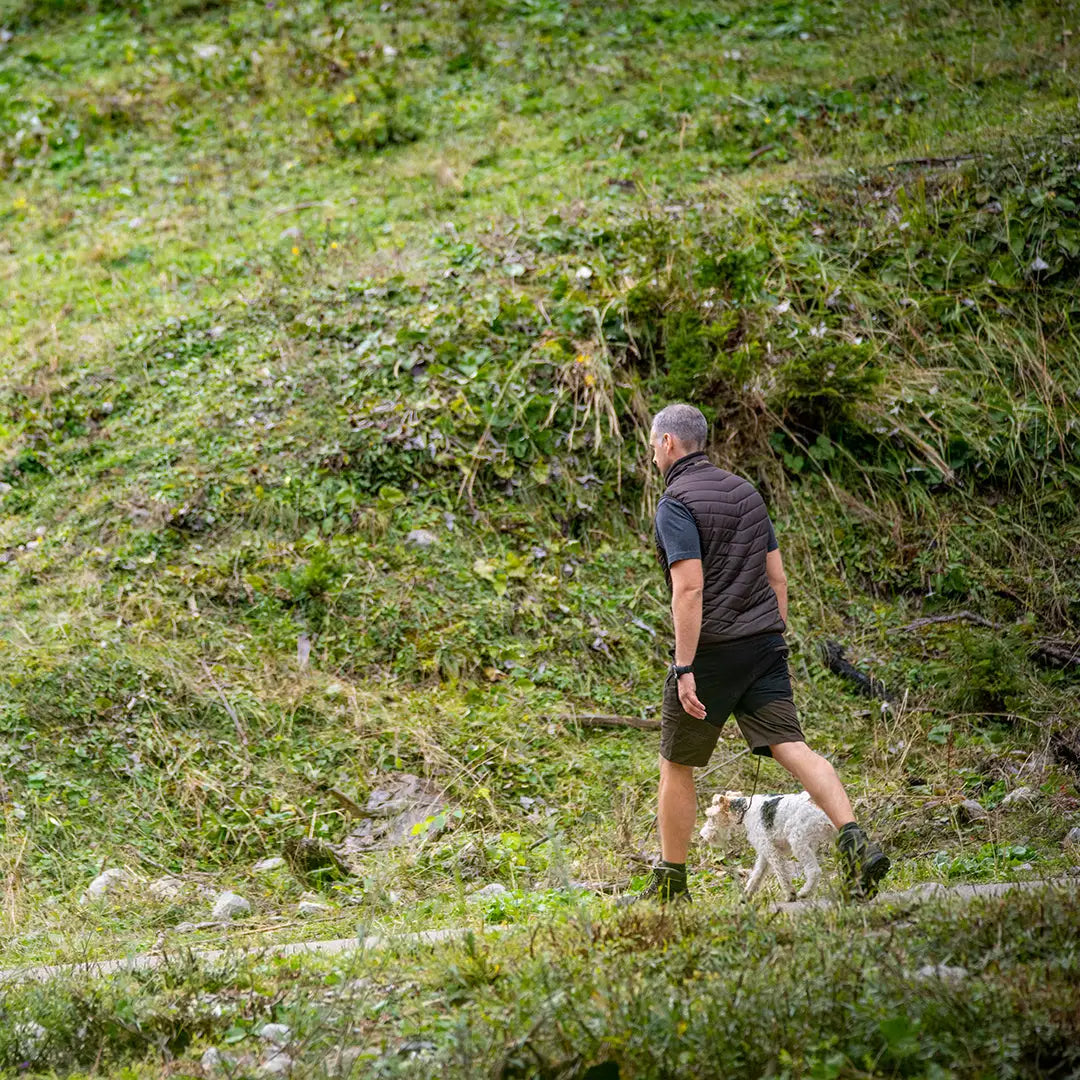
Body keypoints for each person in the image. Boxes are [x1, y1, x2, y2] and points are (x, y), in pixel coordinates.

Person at [619, 403, 889, 905]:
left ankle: (672, 884)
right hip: (764, 644)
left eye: (653, 444)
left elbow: (690, 590)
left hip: (712, 651)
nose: (653, 453)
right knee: (792, 747)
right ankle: (854, 839)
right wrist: (771, 637)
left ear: (668, 443)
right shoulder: (746, 492)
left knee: (676, 763)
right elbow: (777, 577)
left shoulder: (675, 502)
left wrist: (684, 665)